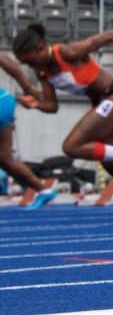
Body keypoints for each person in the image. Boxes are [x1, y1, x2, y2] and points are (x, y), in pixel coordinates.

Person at [11, 25, 113, 212]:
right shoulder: (43, 72)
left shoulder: (66, 52)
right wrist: (35, 104)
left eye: (31, 61)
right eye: (26, 64)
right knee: (111, 163)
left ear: (40, 48)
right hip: (102, 104)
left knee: (70, 146)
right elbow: (52, 106)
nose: (31, 66)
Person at [0, 54, 57, 210]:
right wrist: (27, 87)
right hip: (4, 100)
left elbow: (4, 61)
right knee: (5, 159)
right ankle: (44, 190)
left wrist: (28, 87)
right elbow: (6, 61)